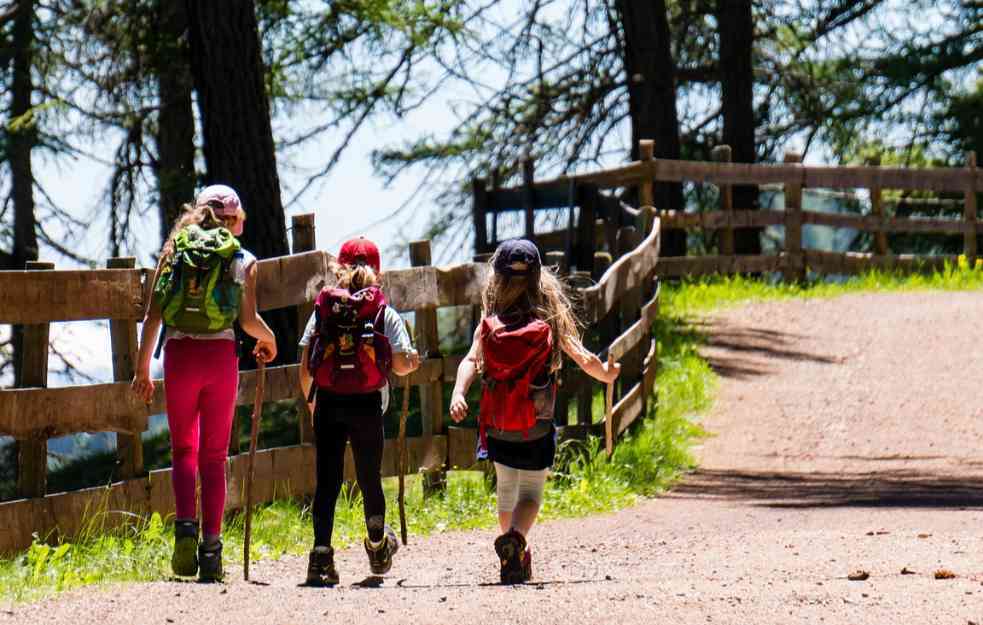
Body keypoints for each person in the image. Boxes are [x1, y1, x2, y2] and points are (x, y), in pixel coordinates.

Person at [448, 238, 620, 584]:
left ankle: (513, 554)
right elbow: (581, 355)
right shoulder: (548, 316)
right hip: (536, 426)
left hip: (497, 426)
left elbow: (470, 360)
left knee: (506, 490)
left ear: (495, 278)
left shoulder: (491, 318)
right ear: (538, 277)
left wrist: (458, 392)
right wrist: (606, 373)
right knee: (530, 494)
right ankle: (516, 539)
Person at [131, 184, 277, 582]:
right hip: (219, 359)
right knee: (214, 457)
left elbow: (153, 317)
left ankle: (184, 530)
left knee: (183, 450)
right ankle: (211, 549)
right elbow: (247, 322)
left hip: (179, 356)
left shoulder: (174, 251)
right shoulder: (242, 259)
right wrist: (270, 339)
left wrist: (143, 369)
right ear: (235, 220)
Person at [298, 236, 420, 586]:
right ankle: (378, 547)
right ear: (377, 271)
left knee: (327, 482)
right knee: (369, 478)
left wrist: (312, 403)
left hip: (329, 402)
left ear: (339, 268)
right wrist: (412, 362)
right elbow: (398, 364)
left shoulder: (324, 310)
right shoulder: (383, 312)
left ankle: (320, 557)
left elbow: (305, 367)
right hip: (367, 403)